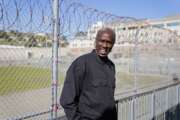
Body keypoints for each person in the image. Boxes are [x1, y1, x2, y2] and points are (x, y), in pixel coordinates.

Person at [60, 27, 117, 120]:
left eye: (109, 42)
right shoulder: (82, 63)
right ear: (95, 42)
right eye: (102, 41)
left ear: (112, 45)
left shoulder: (111, 66)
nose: (105, 45)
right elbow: (67, 100)